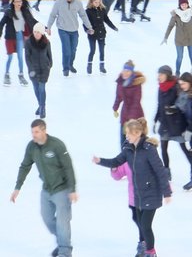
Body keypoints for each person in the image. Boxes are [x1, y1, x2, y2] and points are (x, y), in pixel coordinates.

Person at [93, 117, 171, 256]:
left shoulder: (149, 149)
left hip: (151, 193)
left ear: (136, 133)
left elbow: (160, 171)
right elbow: (116, 161)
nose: (126, 136)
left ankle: (151, 252)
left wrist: (167, 193)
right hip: (138, 195)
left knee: (145, 226)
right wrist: (100, 161)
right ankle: (145, 248)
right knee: (141, 224)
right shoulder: (128, 150)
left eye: (128, 133)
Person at [11, 119, 78, 257]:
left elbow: (68, 167)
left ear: (44, 130)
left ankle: (65, 252)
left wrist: (72, 189)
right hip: (47, 190)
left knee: (62, 222)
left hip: (62, 189)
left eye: (36, 132)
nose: (33, 135)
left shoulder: (56, 145)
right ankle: (62, 242)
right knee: (47, 218)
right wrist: (18, 187)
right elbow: (25, 166)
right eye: (32, 132)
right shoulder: (32, 147)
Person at [45, 0, 94, 76]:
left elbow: (83, 15)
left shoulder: (78, 2)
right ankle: (65, 68)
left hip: (74, 30)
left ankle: (70, 64)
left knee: (73, 50)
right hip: (63, 30)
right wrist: (48, 27)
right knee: (66, 50)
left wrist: (89, 27)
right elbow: (53, 15)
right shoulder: (58, 2)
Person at [161, 0, 192, 73]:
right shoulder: (176, 15)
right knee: (179, 57)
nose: (184, 6)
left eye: (185, 4)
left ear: (187, 4)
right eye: (182, 4)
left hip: (190, 38)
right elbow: (170, 26)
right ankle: (177, 72)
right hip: (179, 40)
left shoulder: (191, 12)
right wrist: (165, 37)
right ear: (180, 5)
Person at [3, 0, 36, 86]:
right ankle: (6, 75)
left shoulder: (24, 12)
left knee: (20, 57)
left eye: (20, 1)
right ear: (13, 3)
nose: (19, 3)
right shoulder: (9, 12)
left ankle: (21, 75)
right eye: (17, 1)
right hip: (10, 37)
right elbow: (1, 23)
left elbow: (32, 21)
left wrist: (43, 27)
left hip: (20, 36)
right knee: (10, 57)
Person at [113, 61, 145, 146]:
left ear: (132, 72)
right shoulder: (120, 82)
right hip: (124, 114)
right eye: (124, 70)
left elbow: (136, 101)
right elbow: (118, 96)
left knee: (135, 141)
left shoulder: (136, 83)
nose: (125, 73)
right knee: (123, 141)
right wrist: (115, 108)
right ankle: (124, 159)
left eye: (128, 71)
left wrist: (131, 119)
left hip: (136, 115)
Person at [84, 0, 117, 74]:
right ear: (92, 2)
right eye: (96, 2)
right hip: (92, 34)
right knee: (92, 50)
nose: (97, 4)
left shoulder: (102, 10)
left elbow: (107, 20)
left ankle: (102, 66)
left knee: (102, 51)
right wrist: (87, 30)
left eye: (99, 2)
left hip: (101, 33)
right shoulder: (88, 11)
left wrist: (113, 27)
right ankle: (89, 65)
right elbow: (85, 23)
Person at [26, 23, 52, 117]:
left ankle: (42, 108)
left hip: (44, 69)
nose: (36, 34)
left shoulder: (46, 42)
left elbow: (49, 56)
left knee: (41, 88)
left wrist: (49, 65)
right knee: (36, 89)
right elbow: (27, 57)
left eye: (38, 32)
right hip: (33, 70)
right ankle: (40, 105)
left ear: (42, 33)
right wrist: (31, 69)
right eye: (35, 32)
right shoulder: (29, 42)